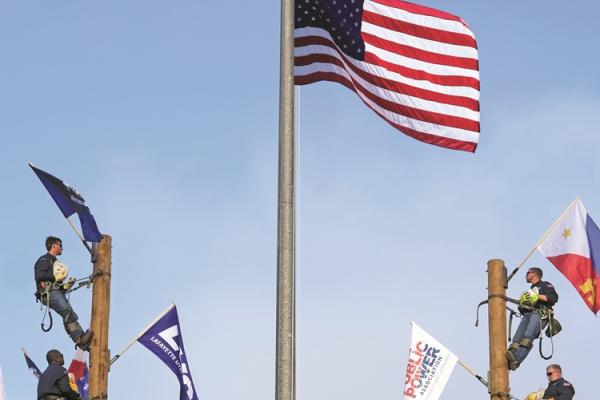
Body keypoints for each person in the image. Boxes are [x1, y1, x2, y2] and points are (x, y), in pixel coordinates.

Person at [34, 236, 93, 351]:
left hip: (54, 291)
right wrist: (54, 277)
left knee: (68, 312)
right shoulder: (44, 259)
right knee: (66, 311)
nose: (62, 248)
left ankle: (82, 340)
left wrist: (65, 286)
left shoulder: (56, 262)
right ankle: (79, 338)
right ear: (54, 245)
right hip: (47, 292)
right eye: (60, 245)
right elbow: (39, 276)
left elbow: (55, 282)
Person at [506, 267, 558, 370]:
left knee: (527, 336)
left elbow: (553, 298)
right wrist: (522, 305)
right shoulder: (530, 290)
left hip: (539, 313)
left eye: (528, 272)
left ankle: (516, 360)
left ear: (535, 274)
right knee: (517, 338)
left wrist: (537, 296)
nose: (526, 275)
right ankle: (509, 358)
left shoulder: (545, 285)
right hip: (528, 314)